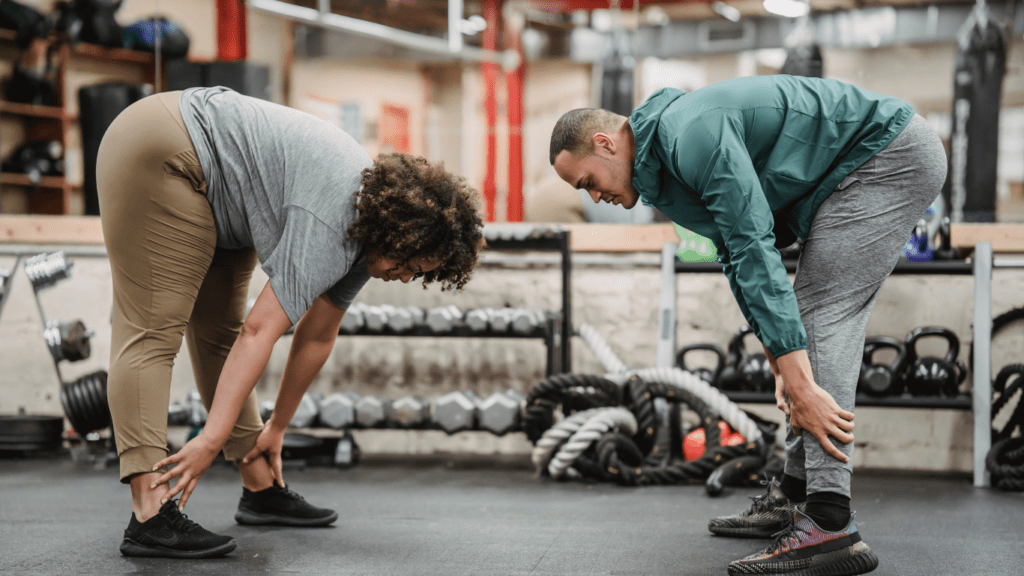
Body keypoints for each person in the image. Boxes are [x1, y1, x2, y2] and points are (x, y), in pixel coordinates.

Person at [548, 75, 946, 576]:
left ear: (605, 143)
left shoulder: (690, 135)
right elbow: (736, 256)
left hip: (886, 156)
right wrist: (781, 359)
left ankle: (829, 519)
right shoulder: (662, 176)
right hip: (851, 170)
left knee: (823, 313)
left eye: (587, 182)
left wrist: (799, 374)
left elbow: (756, 243)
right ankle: (797, 494)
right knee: (805, 322)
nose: (593, 197)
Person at [97, 87, 484, 559]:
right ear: (401, 234)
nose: (406, 278)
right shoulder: (333, 224)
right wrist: (209, 440)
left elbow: (317, 335)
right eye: (411, 265)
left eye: (420, 276)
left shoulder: (369, 237)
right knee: (154, 331)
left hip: (223, 190)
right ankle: (149, 509)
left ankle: (259, 485)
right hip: (163, 147)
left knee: (219, 336)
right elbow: (262, 330)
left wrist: (275, 428)